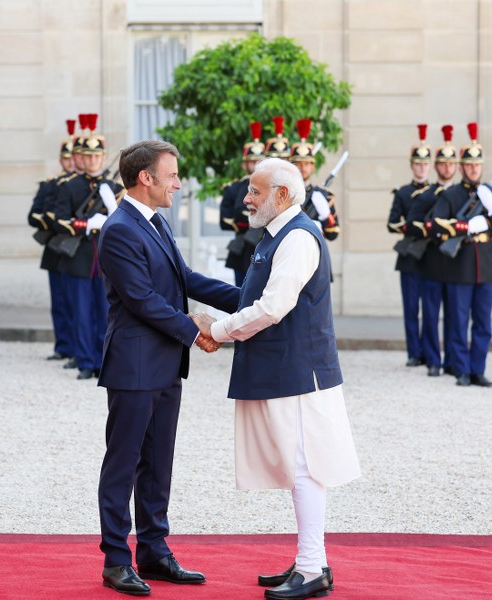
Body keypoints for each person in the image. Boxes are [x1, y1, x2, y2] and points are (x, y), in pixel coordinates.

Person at [192, 157, 360, 600]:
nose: (246, 198)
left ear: (283, 195)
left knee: (305, 467)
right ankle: (311, 559)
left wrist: (217, 331)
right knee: (298, 465)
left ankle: (311, 568)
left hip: (297, 369)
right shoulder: (278, 233)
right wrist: (206, 307)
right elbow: (255, 297)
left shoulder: (298, 237)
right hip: (285, 366)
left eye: (256, 191)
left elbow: (271, 308)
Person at [96, 140, 239, 596]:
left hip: (164, 363)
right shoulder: (119, 229)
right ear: (147, 178)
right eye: (172, 175)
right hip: (135, 363)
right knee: (124, 462)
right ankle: (117, 560)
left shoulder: (155, 223)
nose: (178, 183)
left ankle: (154, 551)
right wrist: (196, 329)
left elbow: (186, 280)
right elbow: (141, 299)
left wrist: (252, 302)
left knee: (158, 463)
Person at [430, 123, 492, 387]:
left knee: (483, 323)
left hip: (485, 265)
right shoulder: (451, 194)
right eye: (469, 165)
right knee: (459, 321)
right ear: (462, 167)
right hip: (460, 263)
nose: (474, 169)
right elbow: (436, 223)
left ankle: (478, 369)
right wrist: (465, 226)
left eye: (477, 165)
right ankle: (461, 370)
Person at [53, 113, 124, 379]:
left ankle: (105, 359)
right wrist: (86, 225)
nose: (93, 161)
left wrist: (111, 210)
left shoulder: (114, 187)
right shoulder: (70, 187)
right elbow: (60, 221)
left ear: (103, 158)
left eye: (97, 157)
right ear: (81, 158)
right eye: (88, 156)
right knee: (82, 312)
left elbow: (126, 222)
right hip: (80, 256)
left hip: (107, 258)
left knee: (106, 312)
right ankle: (85, 360)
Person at [404, 125, 458, 377]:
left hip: (457, 260)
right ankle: (434, 360)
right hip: (432, 258)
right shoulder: (426, 195)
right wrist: (433, 229)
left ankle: (452, 360)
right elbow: (412, 224)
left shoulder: (460, 194)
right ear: (436, 166)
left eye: (451, 164)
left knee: (455, 314)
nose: (447, 168)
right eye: (443, 164)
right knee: (431, 313)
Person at [28, 119, 80, 364]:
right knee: (61, 301)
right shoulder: (50, 185)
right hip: (57, 248)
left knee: (80, 303)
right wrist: (52, 220)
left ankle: (82, 349)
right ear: (62, 160)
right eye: (67, 159)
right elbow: (34, 215)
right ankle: (64, 345)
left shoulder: (86, 187)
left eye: (74, 158)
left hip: (80, 249)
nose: (71, 163)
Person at [387, 124, 431, 367]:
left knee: (431, 308)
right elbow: (392, 223)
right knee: (412, 307)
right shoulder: (403, 193)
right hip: (410, 255)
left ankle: (430, 351)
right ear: (412, 165)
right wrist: (409, 228)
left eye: (425, 164)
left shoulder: (438, 191)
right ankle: (414, 352)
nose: (422, 168)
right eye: (418, 164)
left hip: (431, 255)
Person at [220, 121, 265, 286]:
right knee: (241, 295)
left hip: (265, 245)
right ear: (244, 163)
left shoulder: (271, 188)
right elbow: (225, 220)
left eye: (259, 161)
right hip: (242, 247)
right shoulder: (234, 188)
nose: (256, 165)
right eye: (252, 161)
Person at [290, 119, 340, 242]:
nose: (303, 168)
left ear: (312, 167)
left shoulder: (323, 195)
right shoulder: (284, 193)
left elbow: (333, 234)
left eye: (307, 164)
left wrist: (325, 216)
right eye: (298, 164)